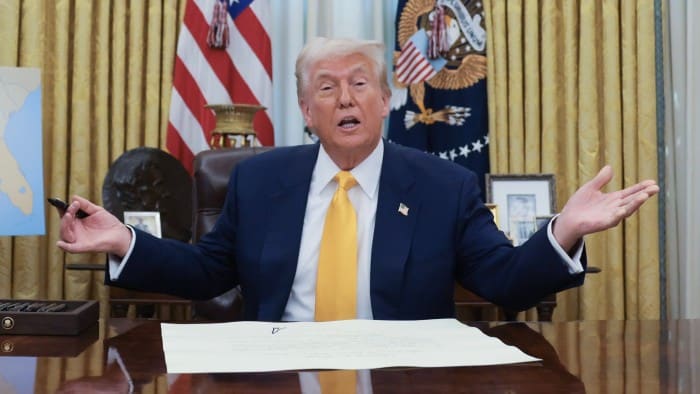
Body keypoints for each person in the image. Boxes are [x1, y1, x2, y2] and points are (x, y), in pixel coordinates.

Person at [55, 37, 659, 322]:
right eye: (327, 86)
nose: (345, 97)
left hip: (402, 376)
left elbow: (504, 282)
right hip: (279, 373)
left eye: (360, 82)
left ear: (386, 100)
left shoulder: (443, 185)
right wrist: (122, 242)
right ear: (306, 109)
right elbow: (209, 270)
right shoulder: (260, 181)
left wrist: (566, 231)